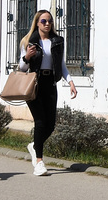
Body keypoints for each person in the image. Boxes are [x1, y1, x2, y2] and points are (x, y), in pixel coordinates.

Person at [18, 9, 77, 176]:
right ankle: (39, 162)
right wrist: (27, 57)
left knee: (50, 125)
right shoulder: (29, 41)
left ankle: (34, 145)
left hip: (50, 83)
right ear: (37, 23)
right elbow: (21, 68)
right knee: (40, 122)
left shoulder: (57, 41)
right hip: (34, 84)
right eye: (43, 21)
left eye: (49, 21)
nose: (47, 24)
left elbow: (61, 65)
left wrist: (71, 82)